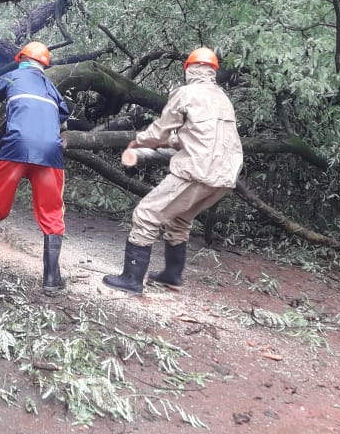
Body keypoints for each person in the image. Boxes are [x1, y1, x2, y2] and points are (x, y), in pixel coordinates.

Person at [103, 47, 243, 295]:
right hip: (226, 175)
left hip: (197, 170)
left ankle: (131, 280)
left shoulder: (186, 93)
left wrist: (140, 139)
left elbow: (160, 132)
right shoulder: (222, 99)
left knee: (146, 214)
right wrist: (172, 142)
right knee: (180, 219)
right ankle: (172, 275)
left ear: (189, 69)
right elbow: (202, 137)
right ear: (212, 71)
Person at [0, 41, 71, 295]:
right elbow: (64, 113)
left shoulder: (11, 77)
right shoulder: (51, 87)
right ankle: (52, 280)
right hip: (50, 154)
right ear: (44, 65)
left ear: (21, 58)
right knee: (52, 212)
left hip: (15, 149)